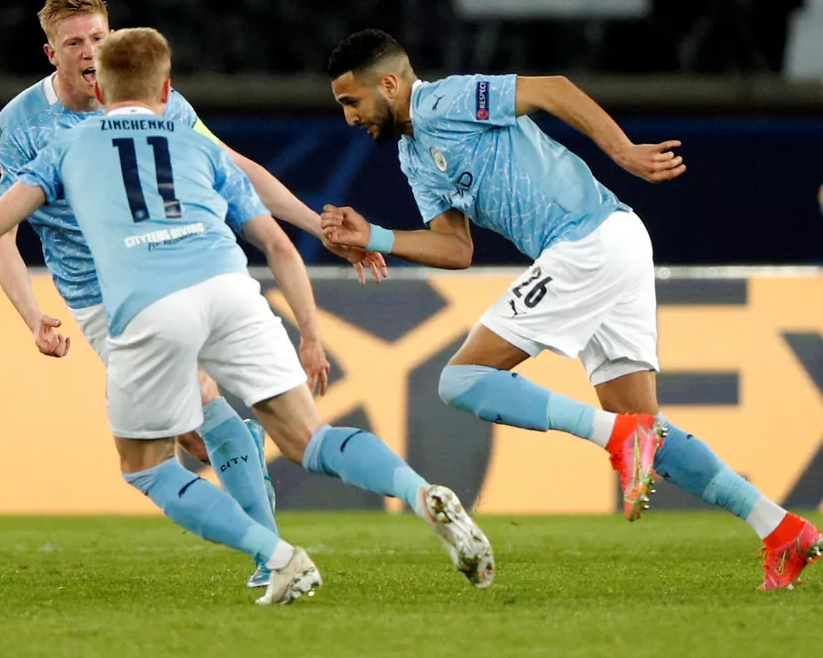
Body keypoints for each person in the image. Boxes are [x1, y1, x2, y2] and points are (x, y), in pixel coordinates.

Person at [0, 28, 495, 604]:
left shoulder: (66, 146)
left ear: (102, 85)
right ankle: (420, 492)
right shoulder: (194, 140)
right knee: (309, 438)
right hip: (230, 288)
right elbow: (276, 244)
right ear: (167, 86)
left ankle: (278, 556)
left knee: (147, 466)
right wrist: (312, 333)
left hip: (149, 305)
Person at [320, 29, 822, 590]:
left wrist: (624, 152)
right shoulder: (413, 156)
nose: (349, 117)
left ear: (390, 84)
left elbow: (552, 89)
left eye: (352, 101)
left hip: (586, 242)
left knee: (461, 380)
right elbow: (456, 249)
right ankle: (782, 531)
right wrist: (375, 236)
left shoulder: (445, 100)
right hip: (614, 242)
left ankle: (618, 437)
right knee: (646, 429)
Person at [0, 0, 386, 588]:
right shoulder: (18, 127)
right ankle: (259, 508)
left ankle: (271, 558)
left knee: (201, 406)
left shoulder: (153, 97)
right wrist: (31, 314)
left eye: (98, 37)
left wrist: (316, 224)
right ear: (51, 54)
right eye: (74, 43)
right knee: (196, 432)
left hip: (175, 268)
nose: (90, 51)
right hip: (100, 297)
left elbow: (236, 169)